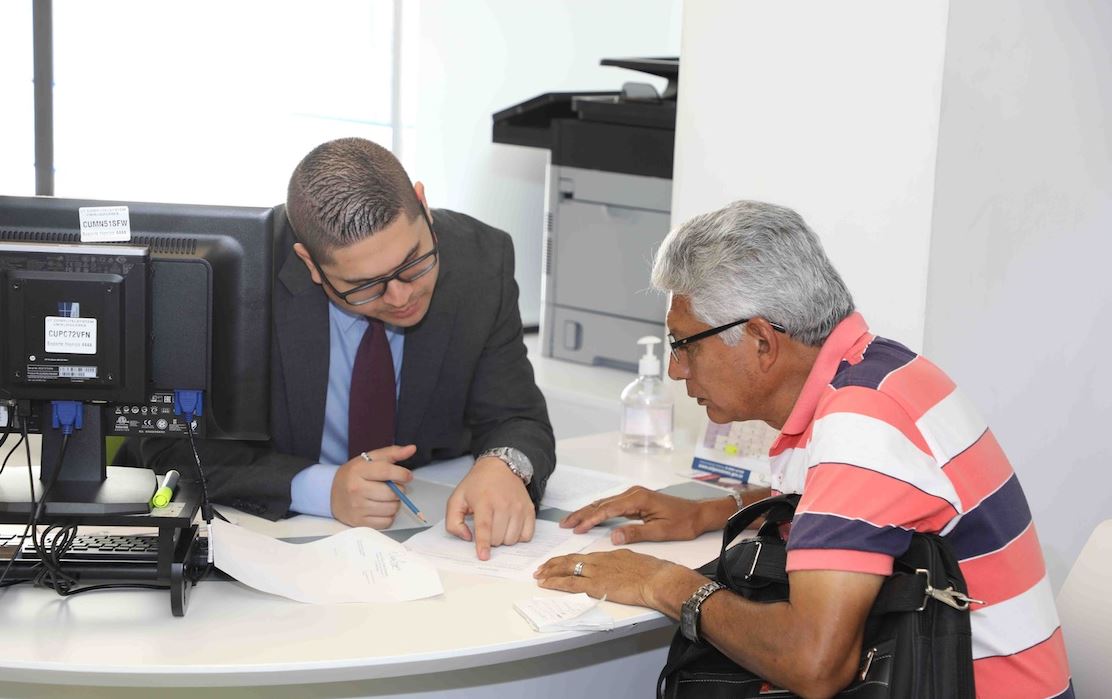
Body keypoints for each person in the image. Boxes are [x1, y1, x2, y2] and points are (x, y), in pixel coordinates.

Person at [534, 201, 1072, 697]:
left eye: (684, 345)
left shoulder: (863, 427)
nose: (676, 370)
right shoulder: (878, 371)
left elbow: (814, 664)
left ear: (762, 341)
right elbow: (840, 504)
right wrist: (709, 512)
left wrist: (661, 582)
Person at [135, 137, 555, 560]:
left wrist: (505, 465)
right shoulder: (234, 276)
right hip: (275, 545)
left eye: (413, 263)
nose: (400, 297)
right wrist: (322, 489)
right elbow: (172, 446)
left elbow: (515, 416)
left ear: (423, 205)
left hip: (422, 542)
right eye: (364, 286)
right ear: (310, 263)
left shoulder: (480, 261)